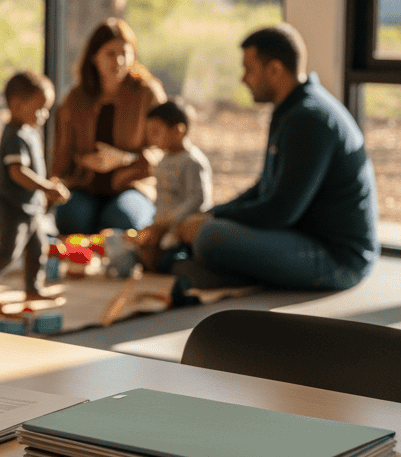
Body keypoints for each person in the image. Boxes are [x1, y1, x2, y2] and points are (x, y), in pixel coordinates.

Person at [173, 24, 379, 298]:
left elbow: (282, 210)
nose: (243, 79)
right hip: (300, 235)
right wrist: (210, 212)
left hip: (337, 259)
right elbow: (264, 187)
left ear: (275, 70)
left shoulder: (309, 118)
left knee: (210, 236)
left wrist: (209, 222)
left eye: (249, 69)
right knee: (208, 229)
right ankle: (215, 272)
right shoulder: (290, 110)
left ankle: (210, 271)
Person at [0, 71, 70, 307]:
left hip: (29, 206)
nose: (44, 115)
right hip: (11, 206)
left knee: (38, 248)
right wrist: (46, 187)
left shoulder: (29, 131)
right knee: (8, 250)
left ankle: (33, 289)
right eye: (40, 108)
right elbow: (17, 172)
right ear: (17, 105)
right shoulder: (14, 135)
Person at [51, 18, 166, 235]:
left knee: (121, 218)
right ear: (94, 57)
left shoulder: (148, 94)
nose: (119, 60)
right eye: (110, 54)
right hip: (85, 187)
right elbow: (61, 155)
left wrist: (127, 159)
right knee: (70, 218)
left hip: (135, 187)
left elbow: (166, 149)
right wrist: (80, 162)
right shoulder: (75, 99)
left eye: (125, 53)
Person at [134, 98, 212, 273]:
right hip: (163, 226)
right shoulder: (163, 160)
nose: (150, 138)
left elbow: (197, 199)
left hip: (182, 230)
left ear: (178, 131)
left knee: (169, 259)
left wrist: (171, 223)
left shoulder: (192, 161)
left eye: (155, 132)